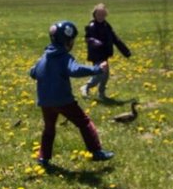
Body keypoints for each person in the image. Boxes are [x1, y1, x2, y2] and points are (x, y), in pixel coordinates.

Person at [29, 21, 114, 164]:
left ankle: (43, 158)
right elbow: (75, 70)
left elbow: (32, 72)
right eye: (72, 40)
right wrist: (97, 69)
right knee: (84, 123)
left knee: (49, 129)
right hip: (64, 101)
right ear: (67, 40)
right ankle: (96, 151)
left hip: (45, 102)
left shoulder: (44, 57)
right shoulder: (64, 58)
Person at [81, 3, 131, 100]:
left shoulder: (106, 26)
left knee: (105, 76)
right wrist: (94, 41)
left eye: (103, 15)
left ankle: (101, 94)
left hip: (104, 54)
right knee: (100, 74)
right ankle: (87, 87)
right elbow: (87, 38)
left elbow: (115, 39)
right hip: (96, 55)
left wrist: (126, 51)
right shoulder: (92, 26)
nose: (101, 17)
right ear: (94, 15)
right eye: (99, 15)